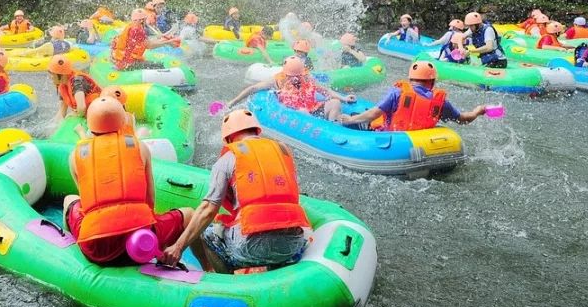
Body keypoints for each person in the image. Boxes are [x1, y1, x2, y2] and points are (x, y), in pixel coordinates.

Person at [161, 109, 309, 273]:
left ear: (229, 138)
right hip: (293, 244)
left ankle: (220, 277)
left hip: (250, 248)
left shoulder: (228, 159)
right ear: (256, 130)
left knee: (207, 233)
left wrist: (178, 247)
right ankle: (274, 272)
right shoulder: (283, 152)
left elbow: (207, 210)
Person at [63, 96, 192, 266]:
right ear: (122, 121)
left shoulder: (75, 155)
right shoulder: (139, 147)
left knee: (69, 200)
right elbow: (150, 199)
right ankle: (207, 269)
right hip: (141, 243)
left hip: (96, 249)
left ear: (90, 125)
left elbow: (86, 203)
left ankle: (71, 259)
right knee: (190, 214)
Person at [339, 61, 486, 131]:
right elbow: (462, 120)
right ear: (432, 81)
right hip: (423, 144)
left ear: (410, 79)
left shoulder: (397, 92)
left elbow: (373, 114)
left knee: (355, 118)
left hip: (393, 139)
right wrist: (477, 111)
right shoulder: (440, 102)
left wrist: (351, 119)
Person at [227, 57, 355, 120]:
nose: (296, 79)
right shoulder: (277, 79)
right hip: (295, 110)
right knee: (304, 111)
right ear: (286, 74)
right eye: (292, 76)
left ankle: (331, 127)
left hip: (313, 107)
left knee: (335, 103)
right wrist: (233, 102)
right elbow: (253, 88)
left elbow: (325, 91)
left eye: (298, 76)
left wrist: (343, 98)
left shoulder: (307, 77)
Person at [109, 9, 178, 71]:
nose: (146, 21)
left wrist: (163, 40)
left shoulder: (130, 26)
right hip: (128, 63)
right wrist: (168, 43)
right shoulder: (138, 30)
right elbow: (150, 45)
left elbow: (148, 42)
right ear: (141, 20)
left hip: (121, 61)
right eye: (145, 19)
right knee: (159, 65)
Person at [48, 54, 101, 119]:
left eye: (52, 74)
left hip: (99, 112)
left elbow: (82, 108)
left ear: (61, 75)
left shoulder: (77, 81)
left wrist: (75, 114)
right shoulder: (62, 85)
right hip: (90, 114)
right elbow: (62, 112)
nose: (50, 77)